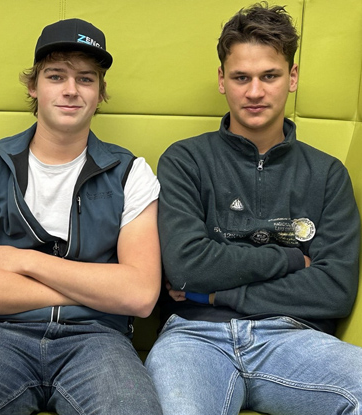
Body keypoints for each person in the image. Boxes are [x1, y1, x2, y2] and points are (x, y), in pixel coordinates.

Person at [0, 18, 162, 415]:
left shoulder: (131, 172)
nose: (71, 90)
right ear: (33, 86)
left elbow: (141, 295)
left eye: (86, 79)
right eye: (56, 76)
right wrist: (99, 291)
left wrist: (25, 261)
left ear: (100, 93)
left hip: (97, 339)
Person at [145, 3, 362, 414]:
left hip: (296, 338)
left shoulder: (327, 174)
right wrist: (293, 261)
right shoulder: (185, 160)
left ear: (292, 77)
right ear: (222, 80)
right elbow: (187, 266)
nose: (255, 92)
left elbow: (334, 290)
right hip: (194, 337)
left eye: (270, 76)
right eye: (241, 77)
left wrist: (216, 293)